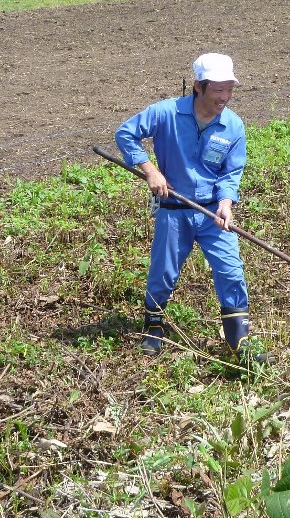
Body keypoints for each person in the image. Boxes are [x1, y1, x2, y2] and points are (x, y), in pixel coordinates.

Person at [114, 52, 265, 365]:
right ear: (199, 86)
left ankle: (239, 339)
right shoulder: (166, 113)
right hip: (172, 208)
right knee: (164, 271)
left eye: (229, 90)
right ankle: (153, 327)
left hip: (212, 212)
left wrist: (225, 203)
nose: (225, 97)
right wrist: (150, 170)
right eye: (218, 90)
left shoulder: (232, 126)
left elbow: (231, 172)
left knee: (230, 270)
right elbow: (125, 133)